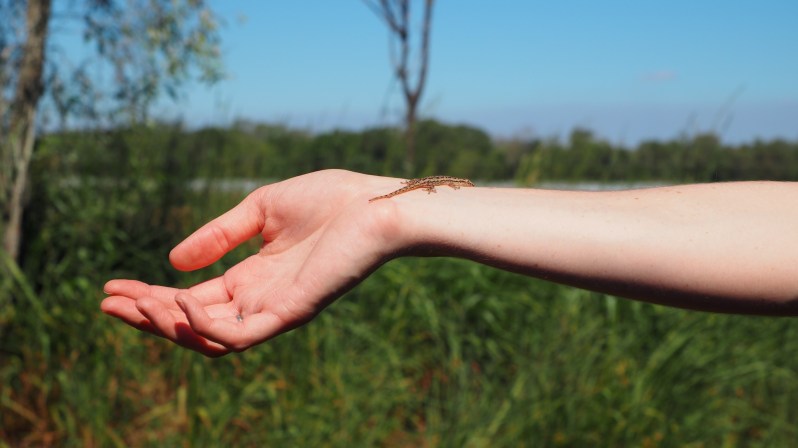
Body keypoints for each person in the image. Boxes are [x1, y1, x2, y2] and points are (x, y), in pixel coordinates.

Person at [102, 169, 798, 357]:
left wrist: (397, 210)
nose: (450, 191)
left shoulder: (440, 190)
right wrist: (392, 210)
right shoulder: (427, 193)